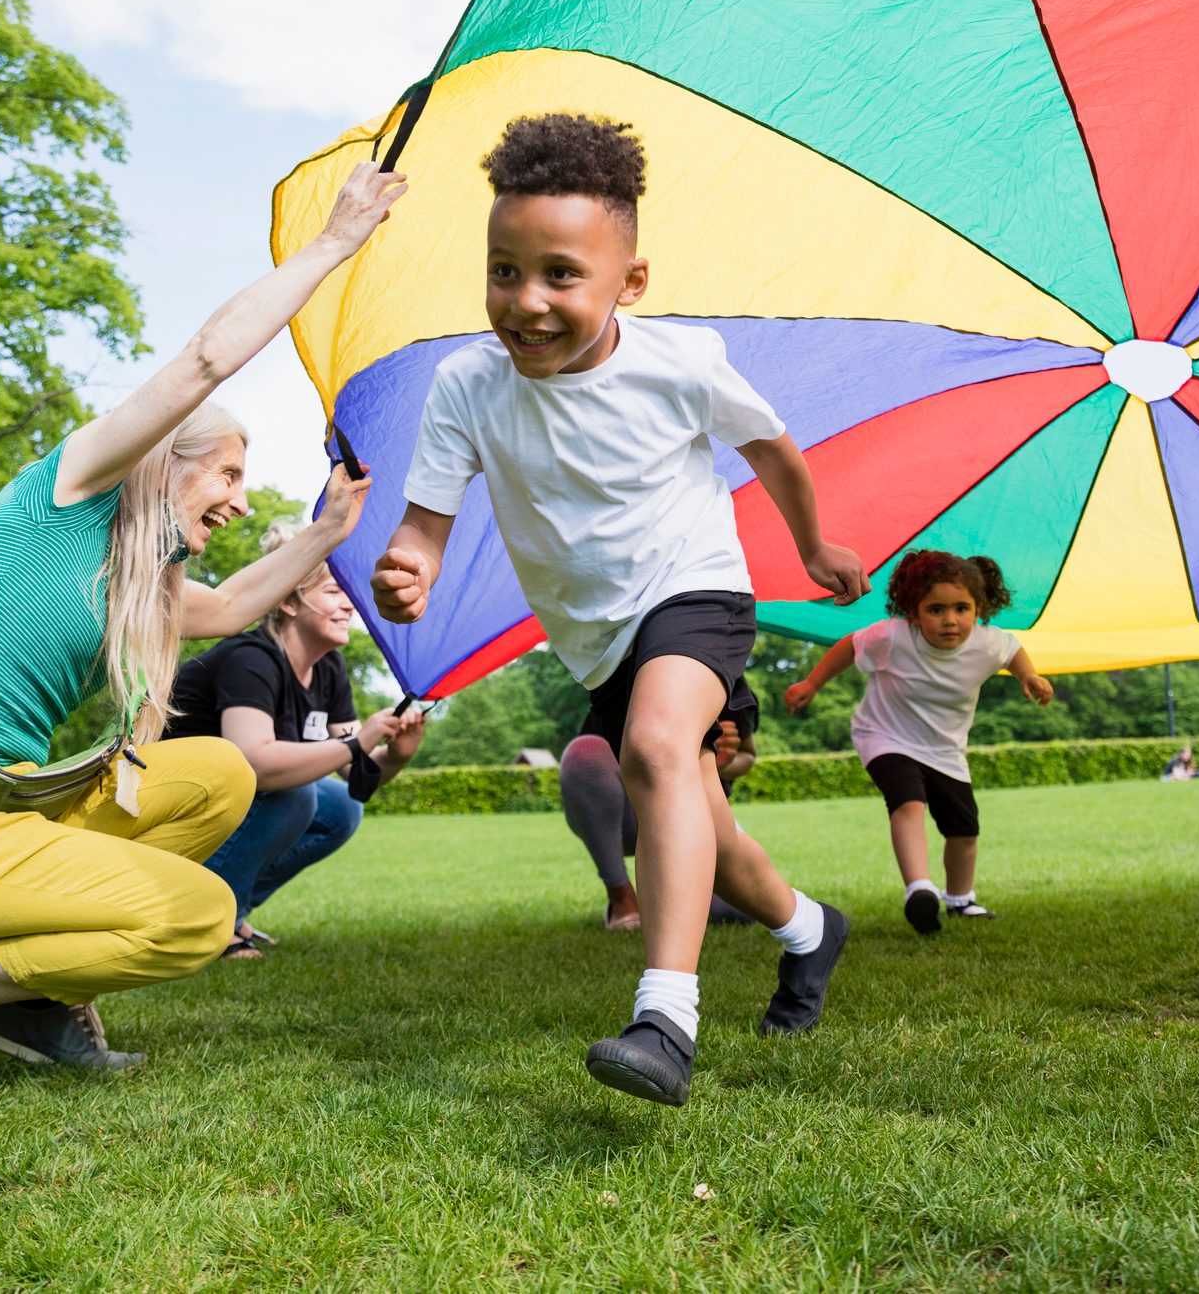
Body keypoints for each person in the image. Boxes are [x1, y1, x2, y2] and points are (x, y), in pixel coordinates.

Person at [0, 162, 407, 1098]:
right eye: (228, 478)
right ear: (167, 461)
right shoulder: (69, 494)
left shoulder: (132, 579)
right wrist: (333, 245)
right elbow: (207, 358)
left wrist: (329, 531)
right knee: (196, 916)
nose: (241, 505)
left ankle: (28, 1006)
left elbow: (236, 606)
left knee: (214, 773)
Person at [371, 113, 869, 1107]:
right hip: (596, 636)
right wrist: (407, 564)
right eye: (504, 271)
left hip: (694, 587)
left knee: (653, 749)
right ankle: (809, 930)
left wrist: (812, 545)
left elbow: (773, 449)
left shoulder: (678, 363)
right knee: (702, 828)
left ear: (628, 282)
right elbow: (424, 524)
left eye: (561, 274)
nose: (528, 301)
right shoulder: (467, 385)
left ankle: (665, 1018)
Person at [167, 524, 425, 959]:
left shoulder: (329, 669)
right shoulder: (252, 660)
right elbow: (255, 763)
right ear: (287, 601)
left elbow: (354, 773)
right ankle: (207, 921)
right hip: (169, 792)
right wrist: (357, 743)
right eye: (333, 592)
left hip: (229, 797)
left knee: (342, 807)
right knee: (296, 795)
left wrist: (395, 755)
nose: (349, 605)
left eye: (349, 593)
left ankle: (231, 907)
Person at [784, 551, 1053, 936]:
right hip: (884, 737)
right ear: (913, 611)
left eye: (962, 608)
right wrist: (811, 684)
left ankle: (961, 899)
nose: (950, 620)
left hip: (945, 750)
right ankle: (919, 890)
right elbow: (849, 646)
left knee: (964, 829)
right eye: (936, 609)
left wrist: (1029, 676)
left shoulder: (987, 643)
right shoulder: (893, 636)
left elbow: (1013, 651)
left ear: (979, 608)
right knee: (908, 802)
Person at [561, 708, 760, 932]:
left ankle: (681, 884)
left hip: (701, 812)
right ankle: (621, 896)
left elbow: (748, 754)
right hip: (633, 810)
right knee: (584, 753)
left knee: (740, 910)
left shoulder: (732, 685)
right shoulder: (615, 679)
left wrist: (720, 762)